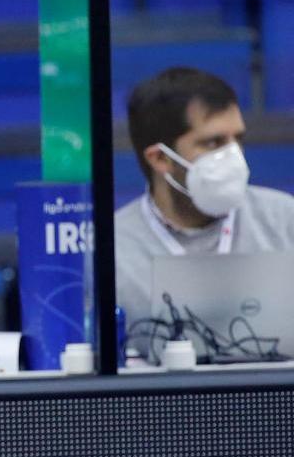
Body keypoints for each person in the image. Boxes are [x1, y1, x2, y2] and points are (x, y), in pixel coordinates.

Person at [117, 67, 294, 358]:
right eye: (213, 143)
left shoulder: (285, 220)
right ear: (160, 158)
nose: (234, 156)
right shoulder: (113, 251)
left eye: (238, 139)